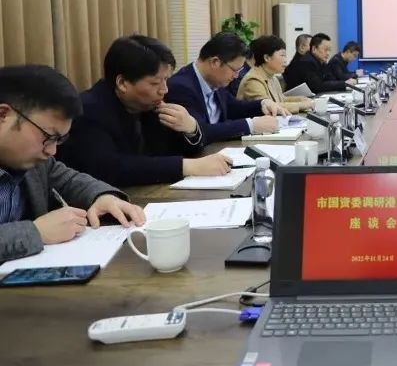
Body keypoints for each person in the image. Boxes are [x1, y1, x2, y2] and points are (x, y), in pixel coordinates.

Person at [0, 65, 145, 263]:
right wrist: (36, 232)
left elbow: (69, 179)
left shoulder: (34, 162)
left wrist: (103, 197)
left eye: (58, 140)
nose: (52, 151)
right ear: (3, 115)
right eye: (48, 137)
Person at [58, 36, 232, 187]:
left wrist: (191, 128)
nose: (164, 89)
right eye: (155, 83)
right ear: (122, 83)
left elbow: (176, 149)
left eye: (166, 80)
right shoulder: (89, 110)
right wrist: (187, 166)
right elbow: (110, 168)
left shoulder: (151, 104)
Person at [166, 32, 288, 144]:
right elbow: (200, 130)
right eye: (235, 70)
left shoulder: (216, 81)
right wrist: (250, 125)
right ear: (215, 62)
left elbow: (234, 107)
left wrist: (263, 104)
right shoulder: (181, 87)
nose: (236, 76)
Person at [237, 35, 312, 113]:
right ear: (267, 58)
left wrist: (301, 99)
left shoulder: (272, 77)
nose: (285, 60)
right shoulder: (253, 80)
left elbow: (281, 99)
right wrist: (301, 105)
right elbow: (269, 107)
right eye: (282, 55)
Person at [284, 33, 357, 94]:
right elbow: (318, 86)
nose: (328, 53)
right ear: (314, 49)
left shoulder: (321, 61)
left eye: (329, 50)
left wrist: (344, 83)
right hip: (296, 99)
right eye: (325, 50)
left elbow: (330, 79)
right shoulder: (306, 62)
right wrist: (344, 84)